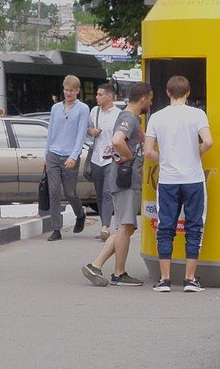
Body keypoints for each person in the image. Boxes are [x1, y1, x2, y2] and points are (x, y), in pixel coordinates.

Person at [144, 75, 213, 293]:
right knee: (194, 227)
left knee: (166, 227)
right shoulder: (197, 114)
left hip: (168, 180)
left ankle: (164, 279)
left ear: (167, 92)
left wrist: (163, 158)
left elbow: (147, 151)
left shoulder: (156, 117)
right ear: (188, 92)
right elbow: (209, 141)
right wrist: (197, 152)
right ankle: (190, 279)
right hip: (193, 179)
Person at [82, 83, 153, 287]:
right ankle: (118, 273)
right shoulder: (129, 118)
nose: (150, 102)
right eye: (150, 98)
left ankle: (95, 266)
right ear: (142, 99)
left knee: (127, 227)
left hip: (125, 179)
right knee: (125, 226)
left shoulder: (130, 117)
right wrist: (129, 157)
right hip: (125, 179)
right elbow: (117, 140)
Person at [44, 75, 90, 241]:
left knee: (70, 192)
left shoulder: (83, 109)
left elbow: (81, 134)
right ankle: (56, 229)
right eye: (66, 90)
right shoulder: (56, 108)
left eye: (71, 90)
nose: (68, 93)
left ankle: (80, 214)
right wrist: (46, 153)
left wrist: (74, 155)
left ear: (77, 91)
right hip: (54, 154)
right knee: (54, 191)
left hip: (70, 155)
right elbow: (51, 131)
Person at [86, 83, 121, 241]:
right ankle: (103, 223)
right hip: (96, 158)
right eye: (97, 94)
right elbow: (88, 129)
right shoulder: (94, 112)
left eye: (100, 94)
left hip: (111, 159)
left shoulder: (119, 114)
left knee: (108, 192)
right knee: (99, 193)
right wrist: (91, 131)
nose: (97, 97)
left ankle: (105, 226)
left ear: (109, 96)